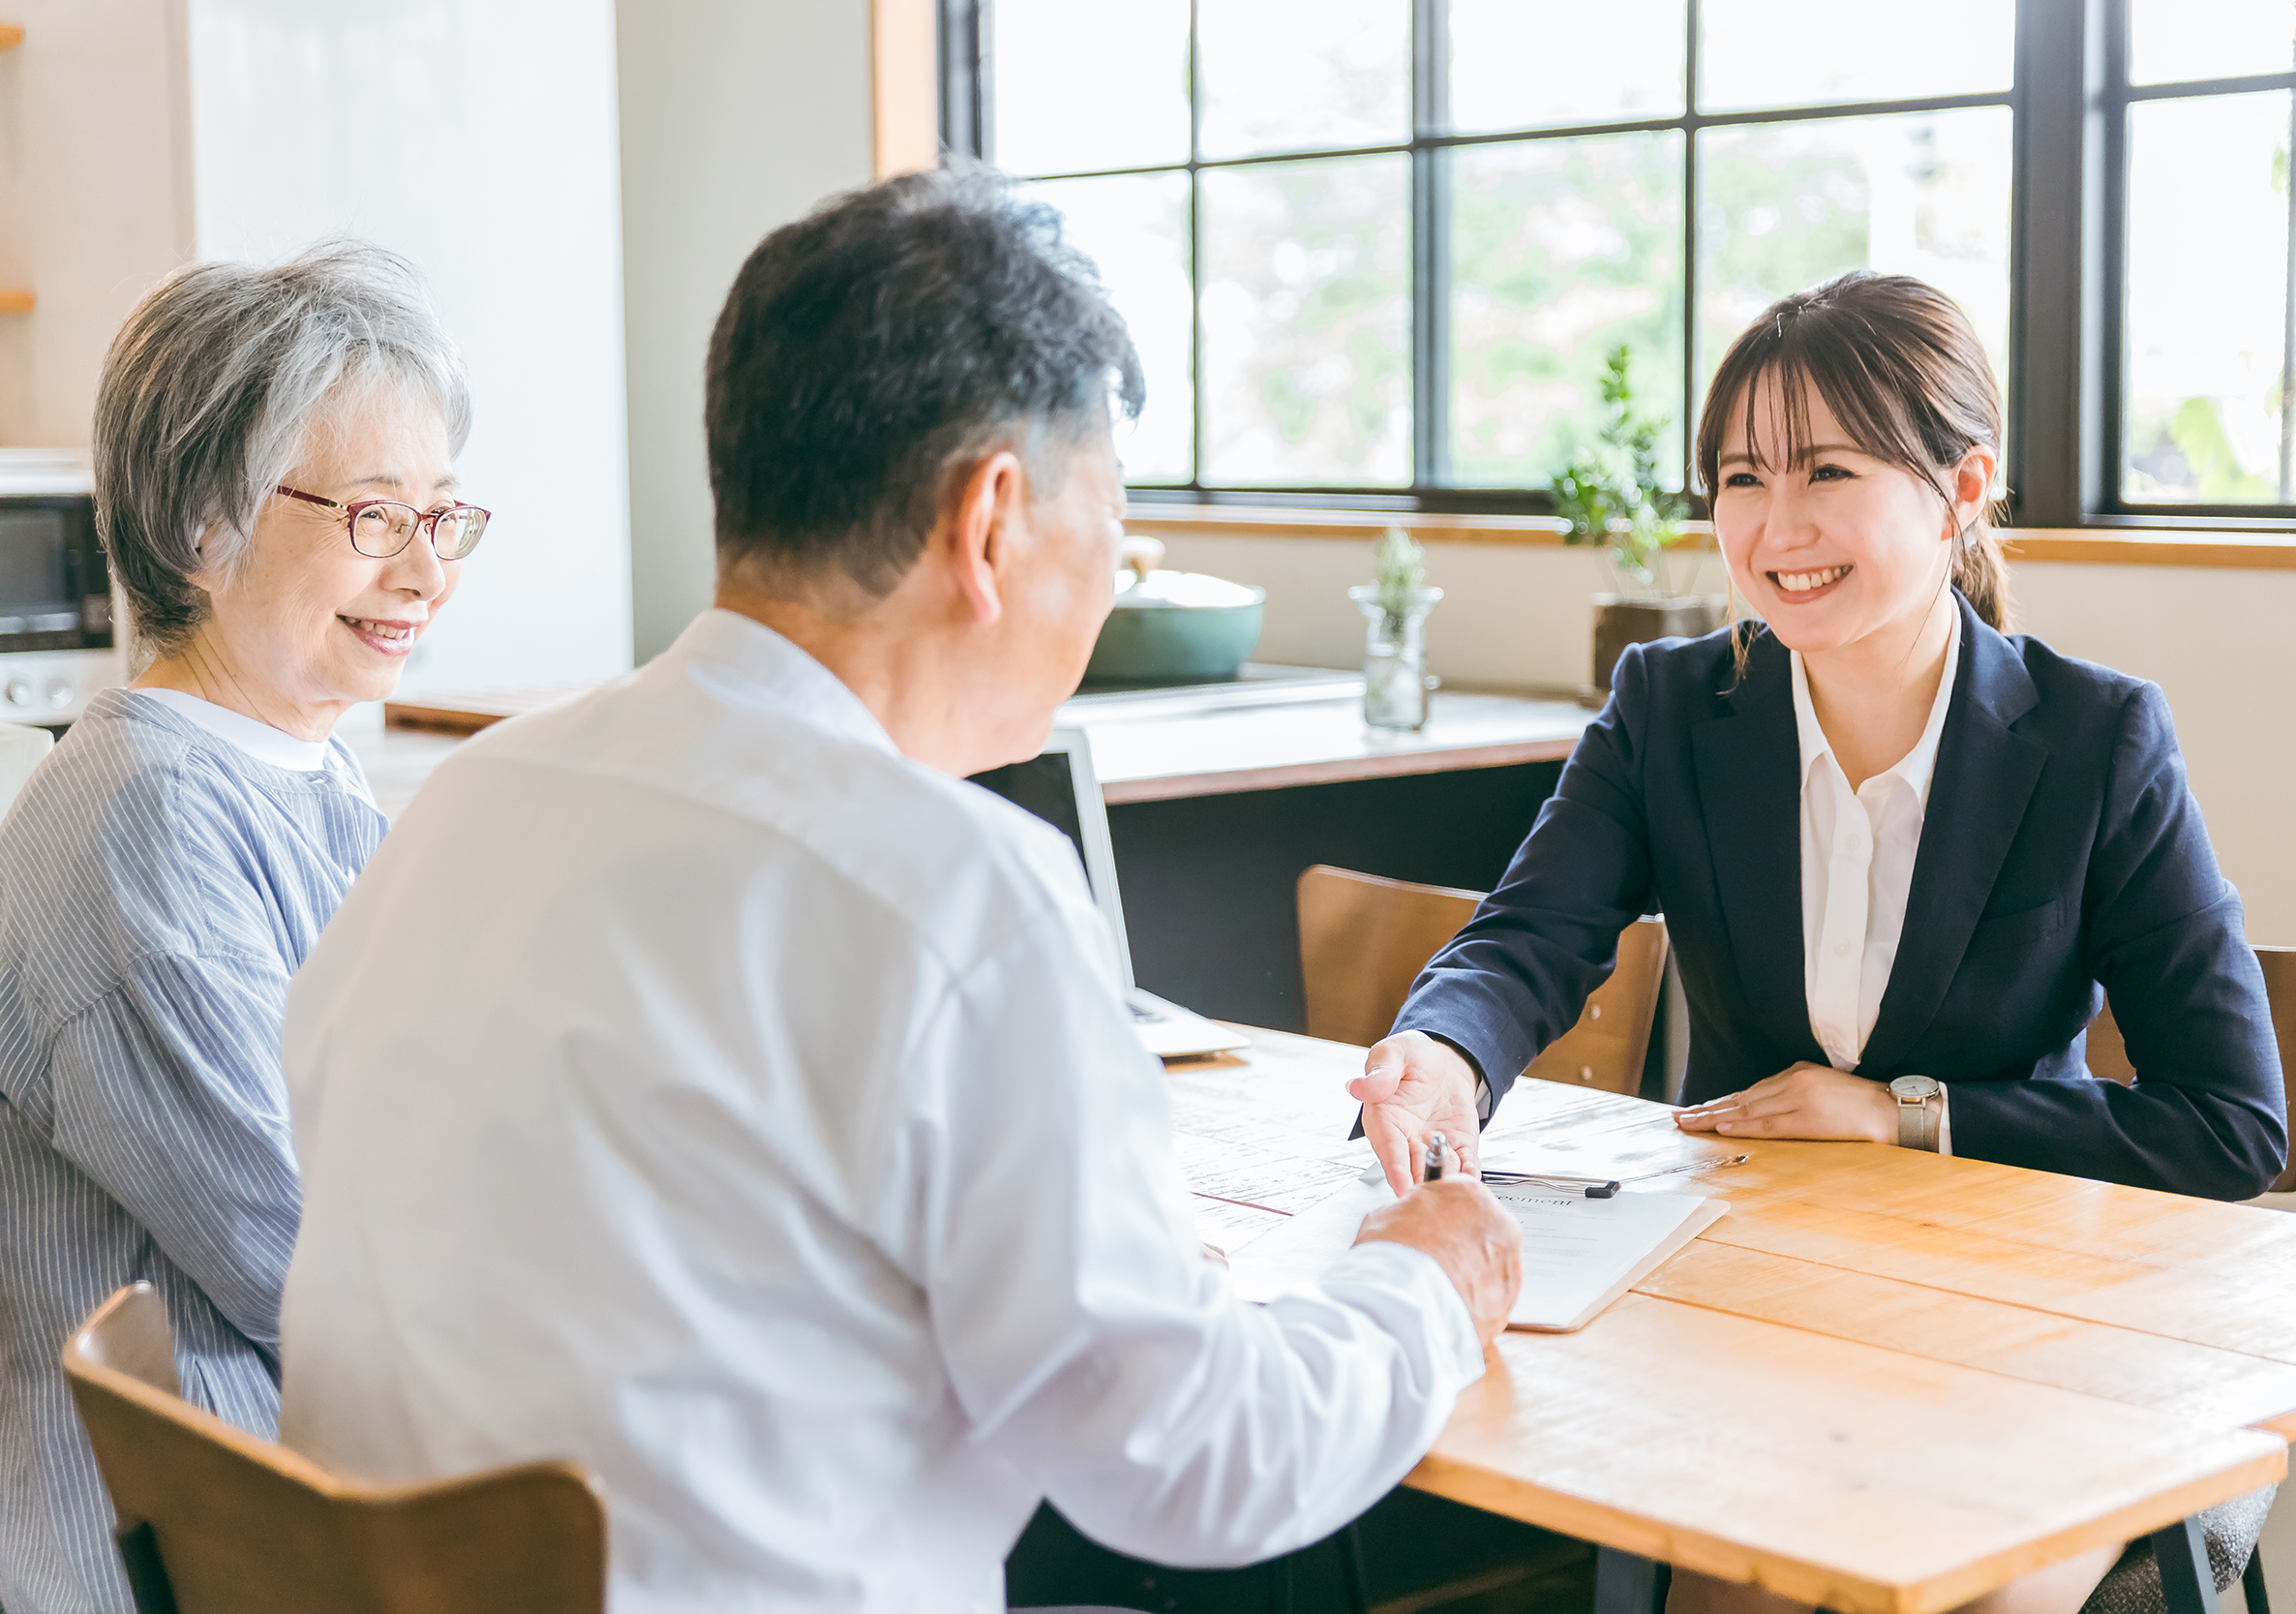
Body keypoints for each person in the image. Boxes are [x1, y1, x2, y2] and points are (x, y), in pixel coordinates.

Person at [273, 167, 1522, 1613]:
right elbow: (1200, 1464)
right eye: (1108, 516)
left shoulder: (470, 797)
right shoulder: (954, 894)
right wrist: (1426, 1282)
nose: (1112, 573)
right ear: (992, 519)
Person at [1348, 272, 2286, 1614]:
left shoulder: (2096, 742)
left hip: (2026, 1325)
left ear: (1963, 490)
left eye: (1827, 472)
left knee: (1966, 1591)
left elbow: (2229, 1123)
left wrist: (1903, 1117)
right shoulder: (1669, 709)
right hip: (1750, 1306)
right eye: (1739, 478)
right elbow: (1529, 938)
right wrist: (1440, 1051)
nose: (1775, 528)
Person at [0, 242, 482, 1614]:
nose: (426, 575)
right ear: (203, 527)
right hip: (188, 1559)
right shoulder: (138, 821)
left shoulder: (303, 766)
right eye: (375, 517)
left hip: (311, 1502)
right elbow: (315, 1260)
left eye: (443, 518)